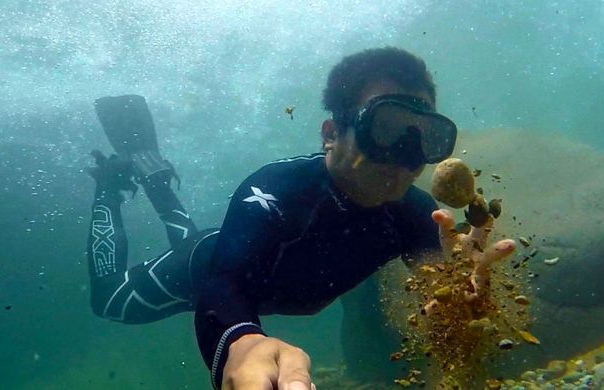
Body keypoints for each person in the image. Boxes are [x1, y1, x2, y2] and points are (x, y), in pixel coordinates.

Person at [85, 47, 516, 390]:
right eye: (386, 128)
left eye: (424, 137)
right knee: (109, 301)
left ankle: (158, 182)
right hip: (201, 267)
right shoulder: (276, 192)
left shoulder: (418, 216)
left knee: (189, 236)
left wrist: (466, 290)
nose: (405, 155)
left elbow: (448, 298)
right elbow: (225, 287)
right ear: (331, 134)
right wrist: (241, 342)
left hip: (238, 255)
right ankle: (111, 185)